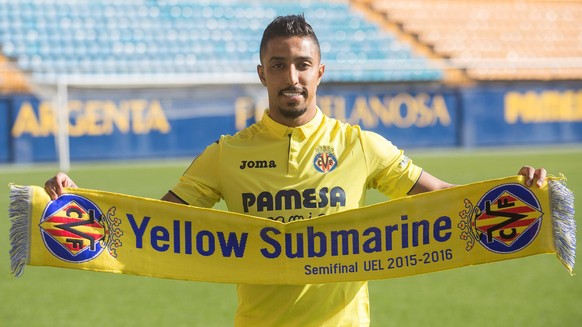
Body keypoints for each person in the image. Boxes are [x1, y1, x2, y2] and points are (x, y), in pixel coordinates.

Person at [45, 14, 547, 327]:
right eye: (279, 64)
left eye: (302, 64)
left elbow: (443, 200)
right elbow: (154, 222)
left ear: (320, 72)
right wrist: (78, 205)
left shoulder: (361, 145)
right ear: (261, 73)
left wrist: (516, 195)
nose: (292, 76)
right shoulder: (225, 153)